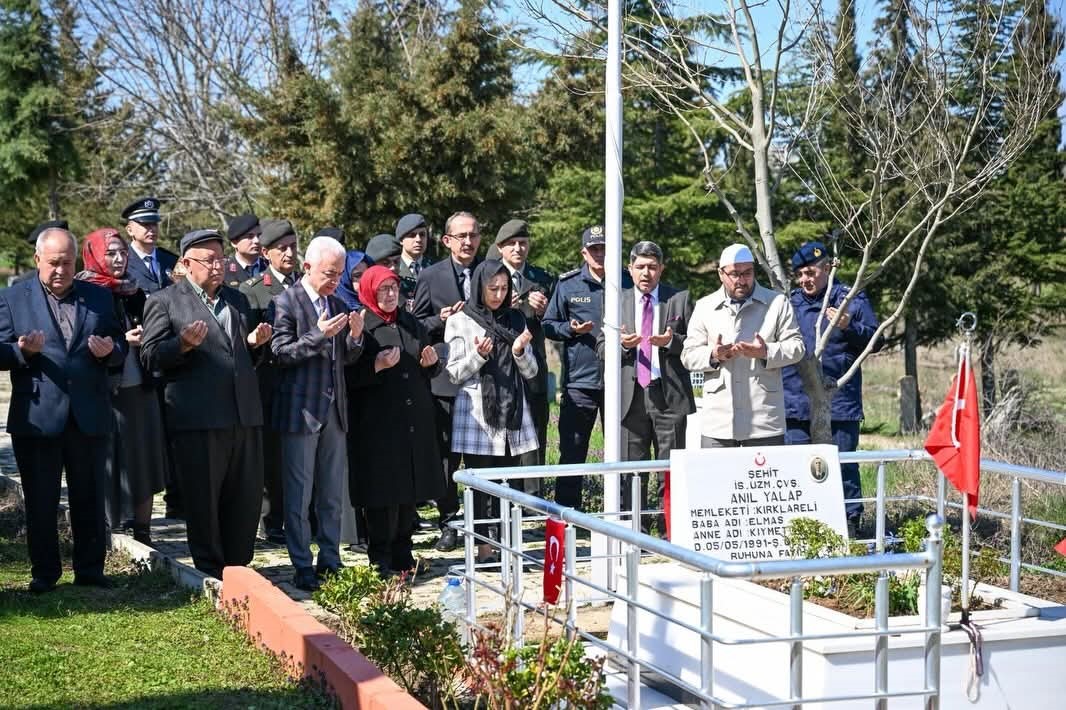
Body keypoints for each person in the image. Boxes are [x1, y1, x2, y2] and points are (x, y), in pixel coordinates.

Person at [140, 229, 273, 579]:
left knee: (244, 499)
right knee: (204, 500)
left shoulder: (237, 300)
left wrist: (255, 344)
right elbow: (150, 355)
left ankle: (239, 566)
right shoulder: (166, 300)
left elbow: (241, 356)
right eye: (209, 259)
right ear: (186, 263)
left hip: (243, 414)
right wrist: (181, 345)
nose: (218, 266)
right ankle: (211, 571)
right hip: (197, 417)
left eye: (221, 258)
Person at [0, 228, 126, 593]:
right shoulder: (13, 298)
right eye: (53, 263)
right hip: (38, 415)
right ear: (38, 259)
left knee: (89, 496)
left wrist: (111, 351)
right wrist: (21, 352)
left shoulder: (99, 298)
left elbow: (120, 346)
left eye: (67, 263)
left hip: (88, 413)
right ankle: (44, 573)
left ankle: (90, 569)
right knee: (41, 499)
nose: (60, 270)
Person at [270, 236, 364, 592]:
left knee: (331, 494)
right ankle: (301, 563)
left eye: (340, 274)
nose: (335, 280)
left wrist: (355, 338)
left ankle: (330, 558)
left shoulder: (338, 302)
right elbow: (280, 352)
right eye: (329, 273)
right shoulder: (286, 302)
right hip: (301, 410)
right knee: (299, 492)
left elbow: (347, 360)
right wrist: (317, 335)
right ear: (307, 267)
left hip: (334, 411)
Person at [348, 266, 444, 575]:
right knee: (382, 493)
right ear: (369, 292)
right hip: (377, 423)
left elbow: (424, 364)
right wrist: (374, 366)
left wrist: (431, 365)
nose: (390, 295)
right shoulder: (362, 325)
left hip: (411, 419)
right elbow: (346, 374)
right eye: (383, 290)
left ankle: (404, 553)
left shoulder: (410, 322)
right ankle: (380, 555)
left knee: (408, 490)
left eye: (394, 288)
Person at [76, 227, 166, 546]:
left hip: (140, 387)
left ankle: (143, 529)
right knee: (110, 461)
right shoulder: (83, 291)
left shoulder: (135, 292)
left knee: (144, 458)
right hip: (105, 389)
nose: (118, 258)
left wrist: (145, 341)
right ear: (95, 255)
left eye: (122, 252)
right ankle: (109, 530)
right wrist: (119, 344)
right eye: (110, 253)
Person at [782, 240, 880, 529]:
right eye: (800, 275)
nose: (804, 280)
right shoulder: (790, 302)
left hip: (839, 403)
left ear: (827, 268)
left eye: (810, 273)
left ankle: (849, 524)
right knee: (798, 468)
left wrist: (849, 325)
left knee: (842, 467)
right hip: (795, 403)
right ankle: (803, 525)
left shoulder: (849, 298)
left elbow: (876, 340)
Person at [445, 260, 537, 563]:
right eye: (492, 288)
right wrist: (479, 355)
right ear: (479, 288)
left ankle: (507, 541)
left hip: (512, 409)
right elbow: (455, 373)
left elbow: (532, 370)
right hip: (478, 414)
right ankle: (483, 546)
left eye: (503, 288)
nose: (498, 294)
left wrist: (520, 352)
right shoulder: (461, 320)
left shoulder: (516, 319)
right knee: (480, 484)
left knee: (508, 482)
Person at [598, 241, 695, 529]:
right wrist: (621, 345)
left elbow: (695, 345)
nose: (646, 273)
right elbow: (601, 347)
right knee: (632, 470)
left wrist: (672, 342)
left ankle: (672, 532)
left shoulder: (679, 298)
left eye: (652, 267)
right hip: (631, 395)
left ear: (661, 269)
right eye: (640, 267)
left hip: (669, 395)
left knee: (671, 470)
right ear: (629, 269)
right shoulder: (618, 300)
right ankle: (636, 533)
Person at [681, 243, 804, 447]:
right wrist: (713, 355)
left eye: (747, 273)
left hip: (764, 419)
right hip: (718, 422)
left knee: (763, 479)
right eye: (734, 274)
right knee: (718, 479)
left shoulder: (777, 302)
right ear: (721, 274)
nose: (741, 280)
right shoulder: (705, 307)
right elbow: (688, 355)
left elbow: (797, 347)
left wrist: (766, 352)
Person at [412, 211, 482, 552]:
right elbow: (416, 324)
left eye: (473, 235)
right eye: (461, 236)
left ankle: (482, 523)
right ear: (447, 240)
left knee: (482, 457)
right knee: (446, 458)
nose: (468, 242)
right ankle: (449, 521)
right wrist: (440, 321)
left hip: (484, 379)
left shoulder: (488, 273)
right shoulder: (431, 275)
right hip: (444, 378)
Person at [240, 220, 301, 544]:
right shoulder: (252, 291)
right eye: (282, 248)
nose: (289, 253)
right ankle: (272, 518)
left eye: (293, 245)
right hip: (270, 381)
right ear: (266, 253)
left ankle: (301, 516)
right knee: (272, 455)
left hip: (302, 381)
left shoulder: (305, 285)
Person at [544, 225, 610, 509]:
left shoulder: (626, 281)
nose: (599, 254)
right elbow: (548, 324)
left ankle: (618, 512)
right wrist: (569, 329)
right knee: (572, 450)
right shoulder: (568, 284)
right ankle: (566, 514)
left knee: (621, 453)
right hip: (580, 381)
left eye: (603, 248)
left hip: (619, 381)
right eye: (594, 249)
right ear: (584, 252)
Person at [488, 219, 554, 481]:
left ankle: (532, 496)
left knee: (535, 427)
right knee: (500, 428)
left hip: (533, 364)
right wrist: (501, 305)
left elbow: (555, 322)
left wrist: (544, 309)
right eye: (511, 244)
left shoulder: (542, 278)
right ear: (500, 248)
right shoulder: (488, 276)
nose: (518, 248)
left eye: (523, 243)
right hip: (499, 365)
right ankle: (501, 490)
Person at [122, 197, 178, 294]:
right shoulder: (122, 262)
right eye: (146, 224)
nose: (152, 229)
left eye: (154, 224)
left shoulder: (171, 260)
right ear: (130, 230)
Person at [396, 213, 432, 311]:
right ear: (401, 240)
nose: (418, 239)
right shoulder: (393, 268)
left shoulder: (435, 267)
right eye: (412, 235)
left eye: (422, 234)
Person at [223, 213, 267, 288]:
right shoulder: (224, 273)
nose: (257, 240)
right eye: (250, 236)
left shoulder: (270, 266)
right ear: (234, 242)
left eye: (259, 235)